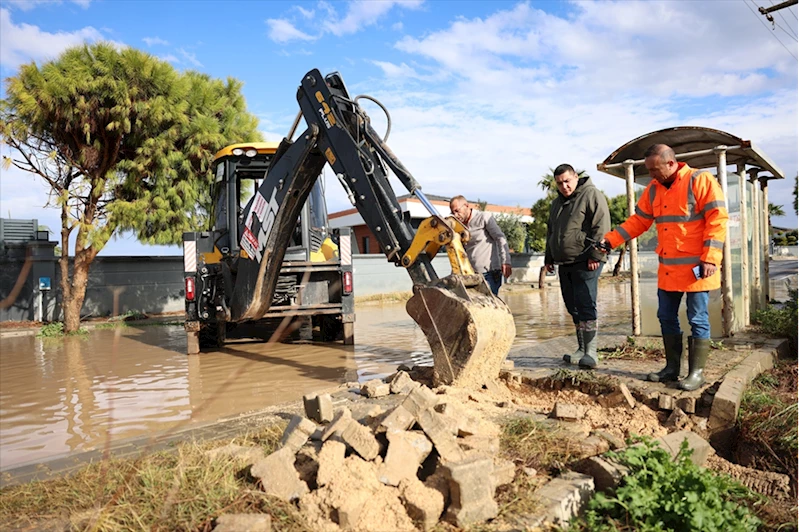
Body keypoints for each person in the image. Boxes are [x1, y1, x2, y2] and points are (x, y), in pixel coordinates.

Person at [600, 144, 728, 391]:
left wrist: (711, 257)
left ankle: (696, 373)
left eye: (654, 169)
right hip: (669, 268)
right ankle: (671, 369)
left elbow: (718, 219)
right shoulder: (653, 189)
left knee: (697, 318)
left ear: (671, 163)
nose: (652, 174)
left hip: (698, 268)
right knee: (666, 317)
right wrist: (611, 240)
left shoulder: (700, 180)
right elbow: (639, 221)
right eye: (648, 170)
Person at [544, 164, 611, 369]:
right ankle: (581, 349)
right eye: (559, 183)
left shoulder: (591, 195)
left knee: (585, 302)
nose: (564, 186)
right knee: (572, 305)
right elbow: (551, 231)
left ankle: (591, 352)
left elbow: (602, 225)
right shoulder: (557, 203)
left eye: (567, 181)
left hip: (586, 259)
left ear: (575, 177)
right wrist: (549, 258)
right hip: (565, 261)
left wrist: (596, 255)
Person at [449, 195, 512, 296]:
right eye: (453, 212)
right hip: (469, 275)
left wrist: (506, 262)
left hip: (489, 273)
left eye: (457, 211)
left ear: (466, 206)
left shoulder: (483, 217)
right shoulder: (457, 226)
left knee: (490, 306)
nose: (455, 215)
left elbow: (500, 238)